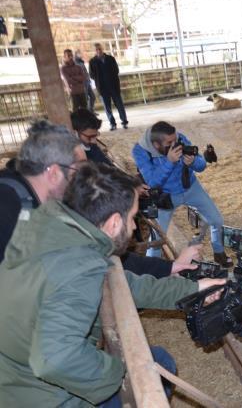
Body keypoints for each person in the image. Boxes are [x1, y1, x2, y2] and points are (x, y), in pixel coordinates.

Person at [0, 162, 225, 406]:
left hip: (14, 374)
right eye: (132, 218)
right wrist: (118, 374)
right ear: (114, 222)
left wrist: (194, 290)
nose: (133, 227)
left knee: (156, 359)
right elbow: (55, 360)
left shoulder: (57, 232)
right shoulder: (78, 268)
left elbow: (124, 284)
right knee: (157, 368)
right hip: (37, 395)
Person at [0, 120, 198, 277]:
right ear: (52, 173)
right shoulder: (7, 208)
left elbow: (101, 250)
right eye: (80, 170)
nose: (87, 178)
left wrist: (169, 267)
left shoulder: (59, 201)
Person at [133, 121, 232, 266]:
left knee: (216, 220)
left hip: (191, 187)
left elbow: (201, 165)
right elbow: (152, 182)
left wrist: (193, 162)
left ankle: (219, 253)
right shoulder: (140, 151)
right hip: (165, 197)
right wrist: (169, 162)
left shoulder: (179, 138)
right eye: (170, 142)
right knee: (157, 238)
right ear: (156, 144)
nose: (176, 144)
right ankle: (150, 270)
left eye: (176, 139)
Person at [0, 121, 86, 263]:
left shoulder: (27, 193)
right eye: (78, 172)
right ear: (54, 174)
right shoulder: (7, 212)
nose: (82, 181)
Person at [89, 42, 128, 131]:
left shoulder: (110, 58)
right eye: (96, 49)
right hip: (103, 88)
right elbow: (91, 74)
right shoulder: (92, 62)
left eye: (100, 49)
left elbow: (116, 70)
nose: (98, 51)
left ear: (102, 49)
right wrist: (98, 79)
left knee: (120, 105)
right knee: (107, 108)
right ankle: (112, 124)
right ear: (94, 51)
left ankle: (124, 122)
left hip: (114, 86)